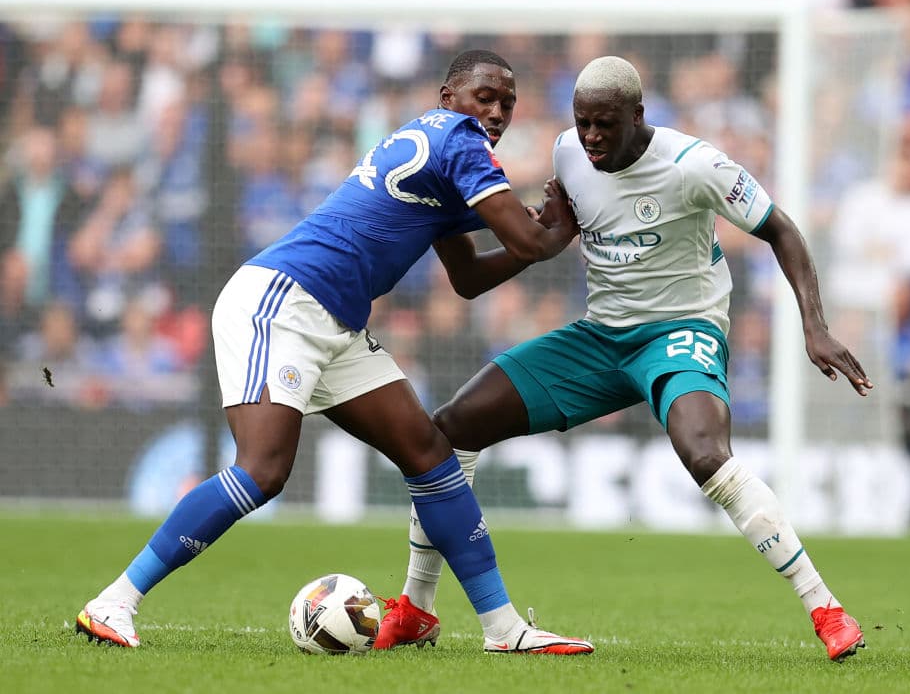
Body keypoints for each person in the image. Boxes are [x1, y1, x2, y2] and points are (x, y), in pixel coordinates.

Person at [75, 49, 593, 656]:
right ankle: (114, 601)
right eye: (486, 97)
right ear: (448, 96)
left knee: (431, 454)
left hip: (335, 321)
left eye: (508, 103)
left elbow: (469, 279)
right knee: (263, 470)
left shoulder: (442, 150)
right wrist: (561, 226)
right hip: (282, 302)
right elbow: (528, 241)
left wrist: (546, 234)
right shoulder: (458, 138)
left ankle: (503, 630)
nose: (498, 112)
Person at [377, 56, 872, 662]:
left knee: (705, 453)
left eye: (604, 125)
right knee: (452, 427)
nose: (590, 137)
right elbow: (540, 236)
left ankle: (825, 608)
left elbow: (783, 230)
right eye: (582, 122)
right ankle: (417, 607)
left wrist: (814, 326)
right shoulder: (567, 153)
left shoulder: (697, 165)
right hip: (601, 337)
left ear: (638, 116)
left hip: (680, 329)